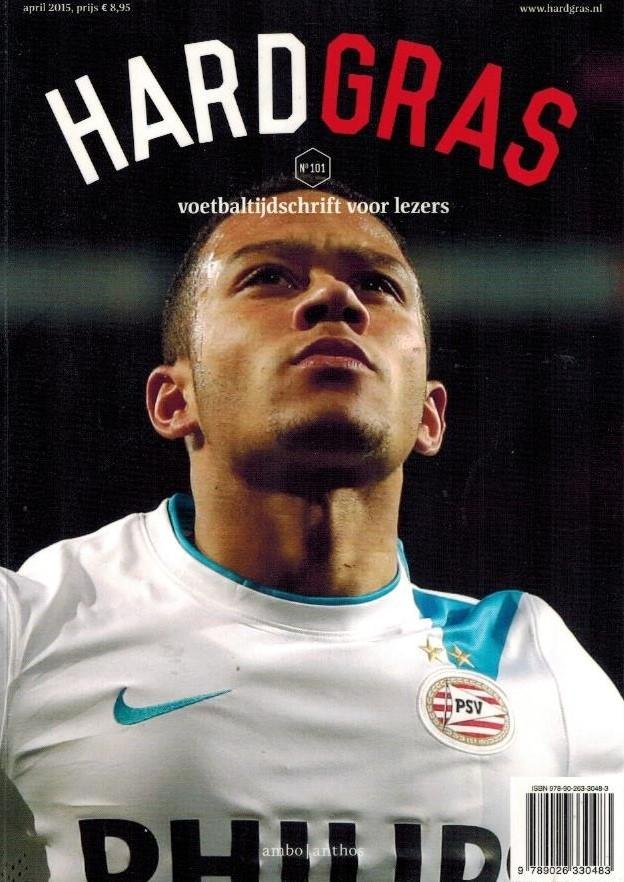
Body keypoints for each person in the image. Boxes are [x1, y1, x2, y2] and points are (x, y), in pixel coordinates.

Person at [1, 181, 622, 882]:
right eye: (269, 276)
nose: (337, 299)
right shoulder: (29, 630)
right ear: (175, 399)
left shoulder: (539, 670)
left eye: (378, 285)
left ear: (428, 416)